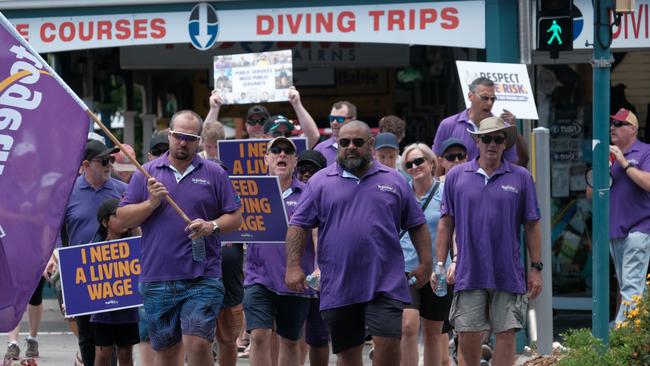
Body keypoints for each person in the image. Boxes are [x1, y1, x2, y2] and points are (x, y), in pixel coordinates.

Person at [286, 120, 433, 366]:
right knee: (348, 353)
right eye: (344, 143)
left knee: (387, 345)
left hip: (385, 281)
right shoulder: (320, 182)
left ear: (371, 144)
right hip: (339, 282)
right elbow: (298, 226)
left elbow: (417, 224)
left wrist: (426, 263)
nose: (351, 147)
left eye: (357, 142)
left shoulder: (395, 180)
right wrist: (292, 266)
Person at [116, 110, 243, 365]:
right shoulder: (147, 173)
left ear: (198, 140)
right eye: (178, 136)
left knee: (197, 342)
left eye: (190, 137)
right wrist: (151, 203)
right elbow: (122, 219)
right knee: (166, 352)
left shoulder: (214, 173)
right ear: (170, 135)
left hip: (202, 275)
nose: (183, 142)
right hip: (157, 276)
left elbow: (236, 217)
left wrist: (211, 226)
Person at [433, 117, 542, 366]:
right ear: (477, 142)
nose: (492, 144)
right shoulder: (456, 176)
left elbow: (533, 223)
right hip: (469, 271)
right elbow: (445, 222)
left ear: (505, 144)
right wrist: (440, 264)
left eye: (498, 139)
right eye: (486, 138)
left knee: (506, 334)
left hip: (508, 270)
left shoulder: (521, 177)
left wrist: (536, 268)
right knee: (468, 336)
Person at [243, 136, 317, 366]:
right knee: (258, 335)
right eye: (276, 150)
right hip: (258, 277)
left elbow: (316, 233)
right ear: (266, 158)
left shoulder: (309, 193)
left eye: (288, 151)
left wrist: (318, 267)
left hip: (296, 279)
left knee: (289, 341)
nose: (281, 154)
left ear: (295, 161)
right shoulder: (251, 191)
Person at [62, 139, 126, 366]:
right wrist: (52, 257)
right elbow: (52, 232)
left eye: (111, 159)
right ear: (86, 165)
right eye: (104, 160)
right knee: (87, 337)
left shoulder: (123, 191)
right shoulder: (67, 193)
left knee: (117, 339)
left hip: (117, 271)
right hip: (81, 273)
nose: (110, 164)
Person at [399, 141, 462, 366]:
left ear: (432, 163)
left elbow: (453, 228)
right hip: (408, 269)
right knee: (408, 326)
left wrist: (455, 259)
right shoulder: (401, 193)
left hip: (438, 270)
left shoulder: (446, 192)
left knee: (434, 332)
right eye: (409, 164)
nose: (415, 166)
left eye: (419, 161)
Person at [607, 108, 650, 325]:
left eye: (618, 124)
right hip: (615, 230)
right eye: (612, 124)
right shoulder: (608, 155)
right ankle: (639, 333)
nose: (612, 127)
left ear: (633, 129)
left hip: (640, 228)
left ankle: (620, 335)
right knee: (630, 286)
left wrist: (624, 163)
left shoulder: (645, 151)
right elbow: (590, 192)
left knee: (632, 285)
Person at [432, 77, 524, 174]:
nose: (489, 103)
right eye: (484, 98)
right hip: (457, 186)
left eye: (493, 99)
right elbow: (437, 163)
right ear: (470, 96)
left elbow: (512, 165)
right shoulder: (448, 125)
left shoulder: (503, 128)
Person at [91, 198, 141, 366]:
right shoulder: (94, 246)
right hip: (102, 312)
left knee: (126, 352)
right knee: (103, 353)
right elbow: (83, 276)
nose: (124, 220)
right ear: (105, 222)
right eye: (118, 216)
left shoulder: (135, 243)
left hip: (127, 310)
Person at [206, 86, 320, 148]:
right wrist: (214, 109)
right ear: (246, 125)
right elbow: (207, 140)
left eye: (262, 121)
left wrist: (297, 104)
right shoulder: (236, 147)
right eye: (252, 121)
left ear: (269, 125)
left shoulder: (284, 148)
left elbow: (313, 136)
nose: (257, 125)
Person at [313, 101, 357, 166]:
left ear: (353, 120)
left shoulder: (364, 147)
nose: (334, 122)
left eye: (340, 119)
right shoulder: (320, 149)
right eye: (331, 118)